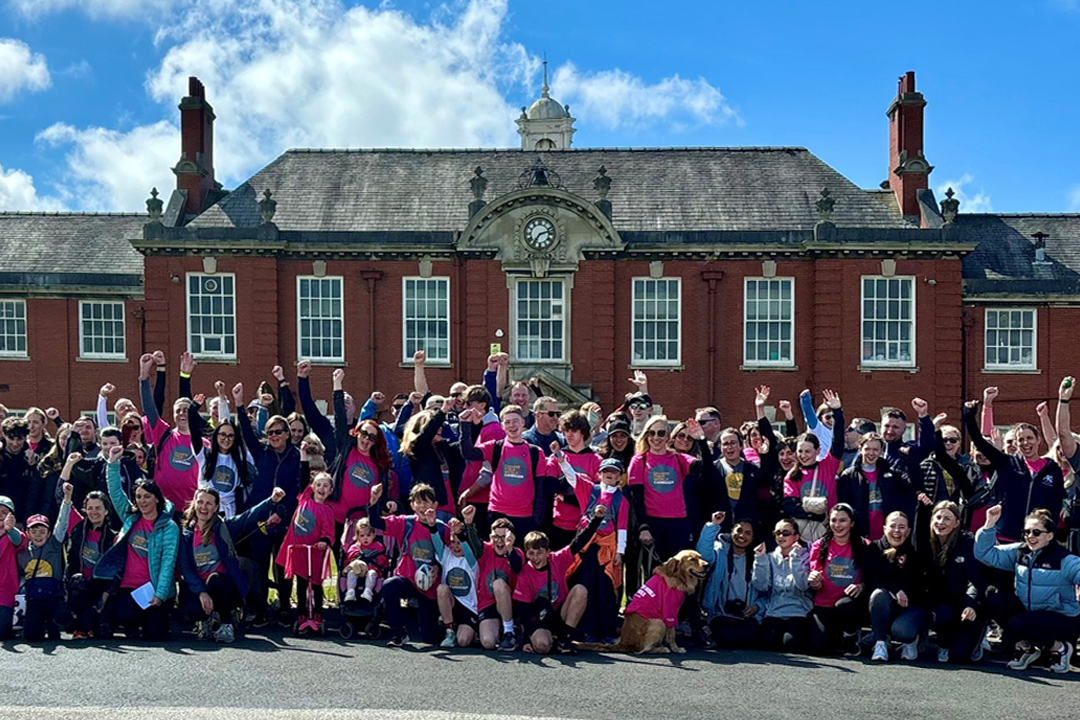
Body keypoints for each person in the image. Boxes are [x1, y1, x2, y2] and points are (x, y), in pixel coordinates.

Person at [975, 504, 1080, 673]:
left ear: (1050, 536)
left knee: (1019, 623)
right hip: (1031, 615)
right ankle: (1028, 649)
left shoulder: (1064, 559)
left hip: (1063, 618)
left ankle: (1061, 648)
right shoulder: (1019, 552)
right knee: (994, 599)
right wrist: (989, 524)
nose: (1031, 536)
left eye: (1036, 532)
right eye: (1027, 532)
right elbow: (985, 554)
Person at [93, 445, 179, 641]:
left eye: (147, 497)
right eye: (139, 497)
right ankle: (133, 621)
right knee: (124, 615)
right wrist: (112, 464)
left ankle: (153, 618)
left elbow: (168, 563)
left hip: (154, 588)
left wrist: (160, 594)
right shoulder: (131, 518)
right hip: (129, 586)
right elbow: (116, 493)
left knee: (155, 635)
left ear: (157, 499)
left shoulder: (169, 527)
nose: (142, 501)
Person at [179, 485, 286, 642]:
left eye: (209, 503)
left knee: (215, 579)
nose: (203, 507)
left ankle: (226, 624)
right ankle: (206, 620)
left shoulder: (224, 526)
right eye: (200, 502)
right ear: (194, 504)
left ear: (216, 507)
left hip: (225, 587)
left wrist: (272, 501)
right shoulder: (186, 534)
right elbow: (186, 569)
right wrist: (201, 592)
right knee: (192, 608)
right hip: (201, 588)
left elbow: (248, 516)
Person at [962, 400, 1064, 543]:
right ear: (1016, 443)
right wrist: (969, 415)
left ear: (1038, 440)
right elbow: (979, 442)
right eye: (1021, 440)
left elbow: (1056, 502)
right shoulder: (1006, 463)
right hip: (1006, 537)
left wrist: (1049, 531)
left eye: (1029, 438)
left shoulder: (1052, 468)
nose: (1025, 443)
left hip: (1037, 538)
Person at [554, 453, 629, 643]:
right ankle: (587, 629)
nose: (610, 476)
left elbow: (622, 527)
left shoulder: (622, 500)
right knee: (586, 585)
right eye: (606, 472)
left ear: (620, 477)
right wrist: (560, 459)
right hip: (587, 548)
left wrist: (620, 552)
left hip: (607, 549)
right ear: (599, 474)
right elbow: (572, 477)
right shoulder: (590, 490)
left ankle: (606, 631)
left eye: (614, 473)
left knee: (606, 589)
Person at [512, 504, 606, 655]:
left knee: (580, 590)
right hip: (539, 619)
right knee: (542, 646)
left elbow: (579, 542)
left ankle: (564, 638)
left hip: (560, 613)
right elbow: (524, 611)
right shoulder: (525, 574)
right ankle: (548, 639)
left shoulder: (557, 559)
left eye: (539, 553)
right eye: (531, 553)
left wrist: (597, 519)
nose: (535, 558)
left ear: (548, 552)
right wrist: (526, 640)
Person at [369, 482, 447, 647]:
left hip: (430, 586)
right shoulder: (406, 523)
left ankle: (447, 628)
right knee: (389, 586)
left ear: (435, 505)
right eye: (418, 502)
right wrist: (374, 502)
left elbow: (451, 558)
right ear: (412, 506)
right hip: (408, 579)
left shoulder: (442, 528)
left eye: (426, 502)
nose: (423, 506)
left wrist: (438, 567)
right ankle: (399, 633)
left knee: (429, 638)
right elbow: (376, 522)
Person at [626, 416, 713, 562]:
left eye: (661, 433)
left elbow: (707, 469)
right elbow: (636, 499)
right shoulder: (639, 460)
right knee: (656, 572)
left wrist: (701, 440)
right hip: (653, 523)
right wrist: (643, 527)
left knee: (680, 572)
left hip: (678, 524)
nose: (656, 438)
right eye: (651, 433)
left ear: (668, 437)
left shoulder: (678, 458)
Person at [459, 405, 548, 544]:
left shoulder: (536, 452)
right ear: (502, 426)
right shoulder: (495, 447)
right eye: (507, 422)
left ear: (523, 422)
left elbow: (542, 488)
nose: (512, 425)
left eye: (515, 421)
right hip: (497, 513)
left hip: (525, 516)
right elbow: (468, 453)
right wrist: (465, 425)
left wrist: (536, 520)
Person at [918, 501, 987, 663]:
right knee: (941, 612)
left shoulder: (967, 543)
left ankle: (979, 633)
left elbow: (974, 578)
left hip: (962, 603)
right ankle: (936, 640)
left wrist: (971, 604)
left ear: (957, 523)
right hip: (937, 602)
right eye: (938, 517)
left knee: (959, 656)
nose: (941, 522)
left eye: (947, 519)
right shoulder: (924, 542)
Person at [55, 477, 116, 638]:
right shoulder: (78, 527)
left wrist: (104, 597)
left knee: (103, 633)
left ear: (106, 511)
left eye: (98, 508)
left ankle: (88, 623)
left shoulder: (113, 537)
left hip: (100, 589)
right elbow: (62, 501)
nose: (94, 512)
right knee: (77, 582)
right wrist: (68, 495)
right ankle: (80, 624)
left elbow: (115, 571)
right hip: (78, 587)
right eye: (90, 508)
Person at [783, 390, 846, 542]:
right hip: (802, 534)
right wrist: (813, 515)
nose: (803, 455)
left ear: (817, 451)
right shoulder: (793, 475)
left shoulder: (827, 466)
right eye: (800, 451)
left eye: (808, 451)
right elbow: (789, 504)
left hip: (829, 528)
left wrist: (837, 412)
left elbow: (838, 443)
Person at [277, 470, 335, 633]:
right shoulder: (305, 498)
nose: (321, 488)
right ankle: (301, 613)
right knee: (301, 584)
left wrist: (324, 542)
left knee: (316, 584)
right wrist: (304, 458)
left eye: (325, 486)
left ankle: (318, 613)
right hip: (299, 551)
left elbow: (328, 532)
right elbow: (303, 477)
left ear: (330, 490)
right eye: (318, 484)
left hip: (314, 553)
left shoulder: (327, 510)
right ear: (312, 487)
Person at [807, 503, 868, 656]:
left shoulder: (865, 546)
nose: (837, 525)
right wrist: (814, 582)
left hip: (850, 605)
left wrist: (861, 586)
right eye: (834, 520)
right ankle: (837, 635)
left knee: (845, 605)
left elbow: (873, 577)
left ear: (852, 523)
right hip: (824, 603)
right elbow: (816, 583)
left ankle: (851, 634)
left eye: (843, 520)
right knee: (819, 647)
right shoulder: (819, 546)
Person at [697, 511, 764, 648]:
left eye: (747, 533)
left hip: (746, 615)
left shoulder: (759, 558)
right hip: (720, 613)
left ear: (752, 538)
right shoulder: (719, 551)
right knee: (727, 639)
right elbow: (703, 555)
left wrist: (757, 606)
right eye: (739, 530)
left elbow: (765, 589)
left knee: (748, 640)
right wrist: (713, 525)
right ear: (731, 532)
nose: (742, 536)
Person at [866, 511, 925, 661]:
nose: (897, 531)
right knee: (878, 594)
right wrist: (894, 589)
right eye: (892, 526)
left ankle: (911, 641)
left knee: (902, 631)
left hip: (910, 605)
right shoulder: (874, 548)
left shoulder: (914, 551)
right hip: (885, 604)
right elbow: (871, 578)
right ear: (884, 528)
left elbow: (916, 584)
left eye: (902, 527)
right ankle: (880, 643)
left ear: (908, 531)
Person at [837, 432, 914, 541]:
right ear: (860, 449)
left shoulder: (892, 474)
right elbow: (844, 507)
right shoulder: (848, 475)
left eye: (875, 449)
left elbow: (912, 485)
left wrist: (910, 460)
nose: (871, 453)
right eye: (867, 449)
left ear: (881, 451)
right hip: (860, 533)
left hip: (886, 533)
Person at [752, 517, 812, 650]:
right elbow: (760, 586)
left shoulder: (805, 556)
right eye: (777, 533)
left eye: (786, 533)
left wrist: (795, 559)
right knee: (767, 642)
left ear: (796, 537)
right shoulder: (769, 557)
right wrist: (760, 560)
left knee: (791, 644)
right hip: (774, 611)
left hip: (798, 612)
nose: (781, 536)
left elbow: (803, 586)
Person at [547, 410, 601, 548]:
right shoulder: (556, 458)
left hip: (586, 526)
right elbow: (551, 488)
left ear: (583, 432)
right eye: (566, 430)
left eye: (574, 430)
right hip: (559, 524)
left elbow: (596, 497)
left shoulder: (596, 460)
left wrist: (565, 498)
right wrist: (577, 481)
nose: (569, 434)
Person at [470, 516, 523, 651]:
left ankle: (509, 632)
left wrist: (509, 548)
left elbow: (517, 567)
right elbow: (474, 542)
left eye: (503, 537)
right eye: (496, 537)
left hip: (509, 602)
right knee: (488, 643)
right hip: (488, 603)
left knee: (498, 584)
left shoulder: (516, 553)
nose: (499, 541)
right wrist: (469, 523)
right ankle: (500, 630)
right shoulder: (485, 550)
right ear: (490, 537)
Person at [17, 512, 69, 640]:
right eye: (34, 531)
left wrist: (67, 502)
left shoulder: (54, 546)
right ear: (27, 534)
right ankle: (39, 626)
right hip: (34, 600)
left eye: (42, 531)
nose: (38, 535)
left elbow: (61, 524)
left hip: (53, 598)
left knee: (56, 630)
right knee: (31, 636)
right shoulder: (22, 555)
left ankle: (58, 622)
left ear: (49, 533)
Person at [433, 509, 481, 648]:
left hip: (468, 607)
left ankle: (472, 630)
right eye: (453, 542)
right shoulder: (446, 555)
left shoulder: (471, 560)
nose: (455, 546)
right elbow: (436, 541)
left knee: (463, 641)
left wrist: (460, 532)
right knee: (442, 589)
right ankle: (449, 630)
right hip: (451, 604)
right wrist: (431, 525)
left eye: (458, 543)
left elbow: (467, 547)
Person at [342, 517, 387, 604]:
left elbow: (383, 560)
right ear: (357, 536)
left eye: (368, 535)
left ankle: (368, 591)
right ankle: (350, 592)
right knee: (351, 573)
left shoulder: (378, 547)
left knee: (372, 574)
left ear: (374, 535)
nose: (365, 538)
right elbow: (349, 558)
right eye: (362, 536)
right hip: (357, 570)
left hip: (372, 569)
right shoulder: (354, 547)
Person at [0, 495, 26, 639]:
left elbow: (19, 541)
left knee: (2, 631)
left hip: (5, 591)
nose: (0, 515)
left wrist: (10, 529)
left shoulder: (14, 535)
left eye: (4, 512)